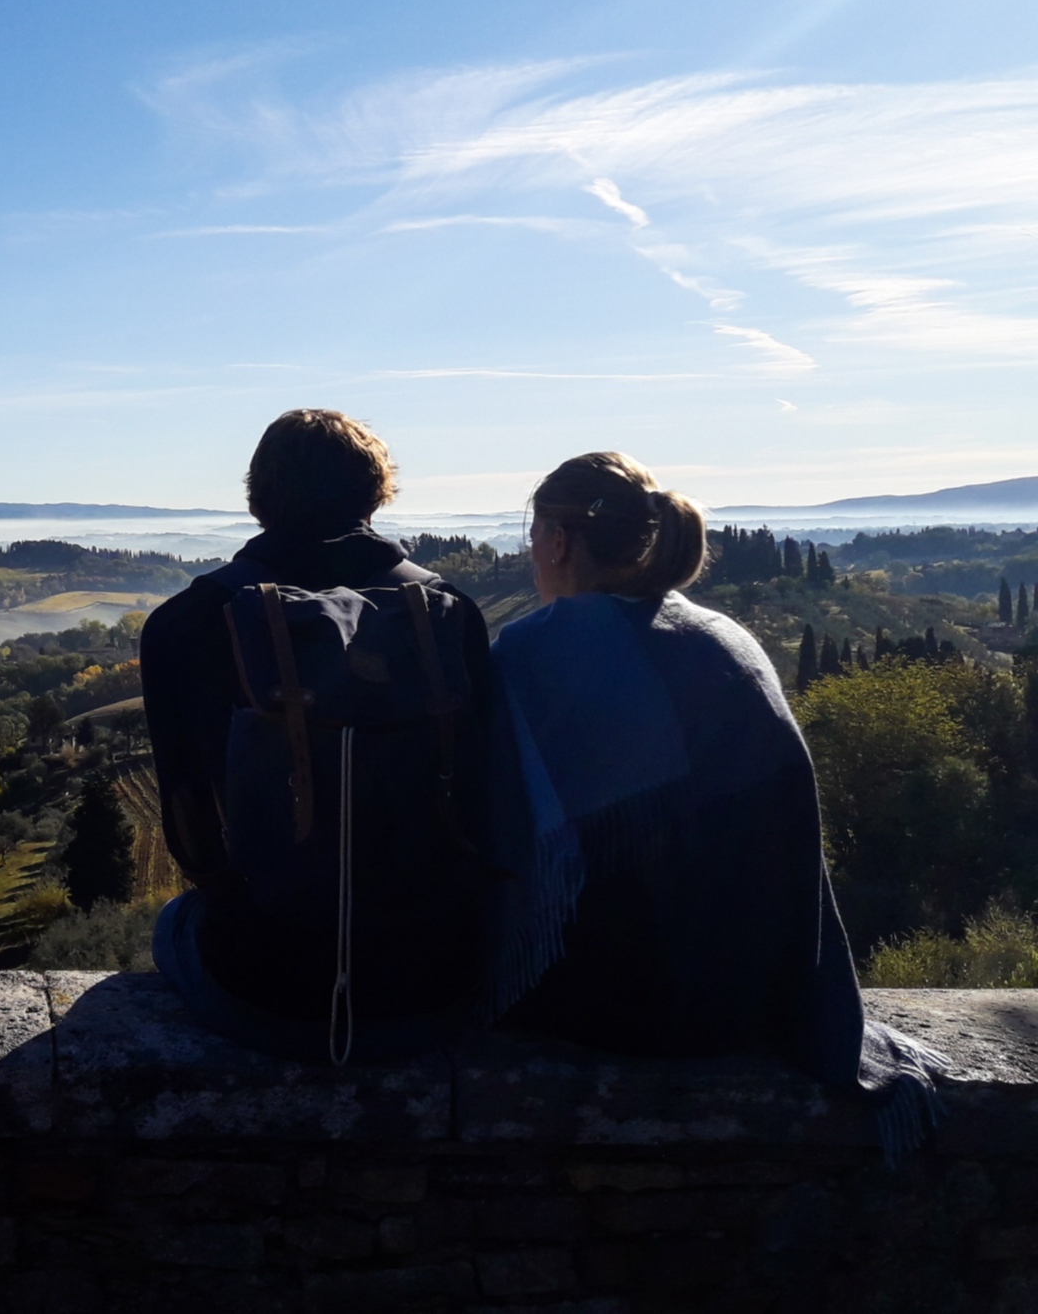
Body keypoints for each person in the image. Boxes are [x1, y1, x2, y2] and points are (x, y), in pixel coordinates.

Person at [485, 451, 943, 1156]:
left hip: (630, 1004)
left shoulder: (532, 653)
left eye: (533, 531)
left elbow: (494, 835)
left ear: (556, 540)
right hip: (754, 995)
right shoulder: (723, 638)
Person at [142, 409, 492, 1062]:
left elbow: (190, 833)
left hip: (264, 984)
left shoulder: (186, 623)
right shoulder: (448, 614)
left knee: (173, 924)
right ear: (376, 490)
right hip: (435, 979)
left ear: (259, 497)